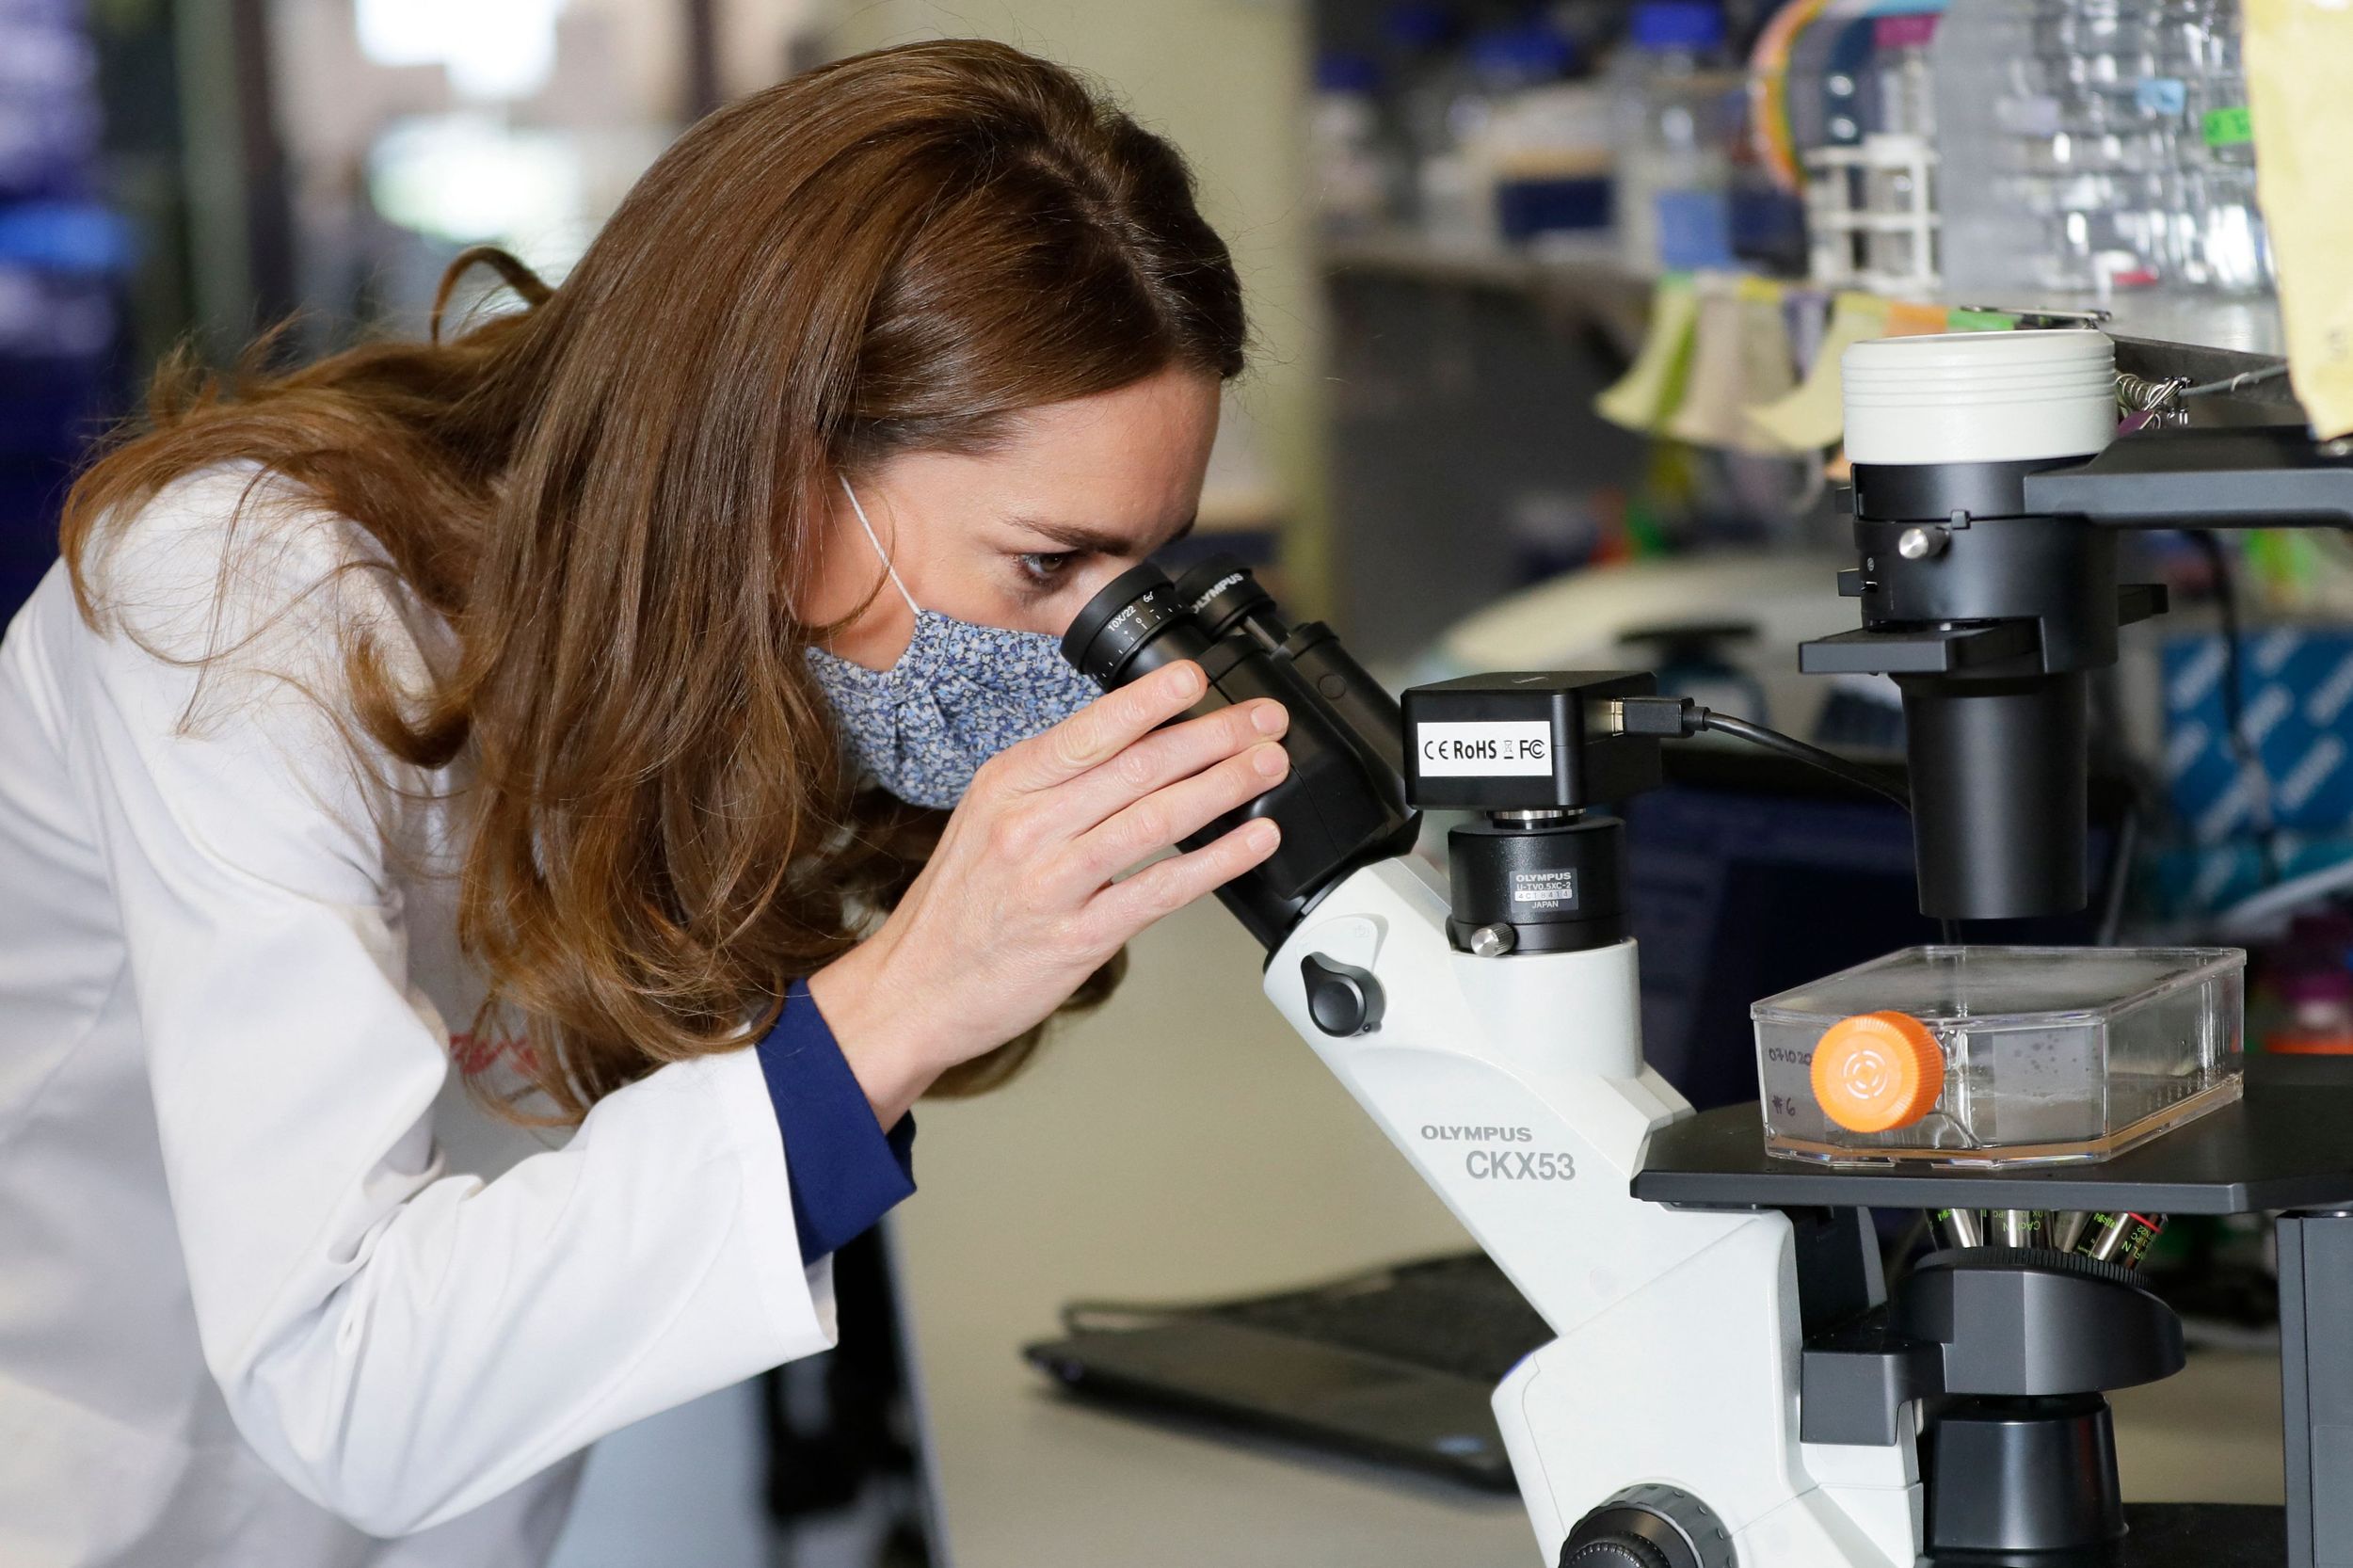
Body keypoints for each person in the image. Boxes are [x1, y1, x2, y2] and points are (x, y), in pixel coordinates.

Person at [0, 40, 1289, 1568]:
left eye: (1132, 574)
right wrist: (899, 1005)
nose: (1081, 648)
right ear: (775, 468)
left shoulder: (726, 664)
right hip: (96, 1477)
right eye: (1044, 567)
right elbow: (342, 1370)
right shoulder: (243, 602)